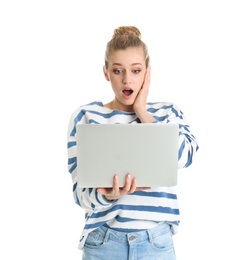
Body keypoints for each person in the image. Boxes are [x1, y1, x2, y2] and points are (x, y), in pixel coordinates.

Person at [67, 25, 199, 260]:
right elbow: (79, 194)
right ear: (106, 72)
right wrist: (107, 195)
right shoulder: (86, 116)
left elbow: (183, 157)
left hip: (156, 243)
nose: (127, 79)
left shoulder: (167, 114)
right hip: (103, 242)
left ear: (147, 73)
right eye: (118, 71)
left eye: (136, 71)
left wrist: (142, 111)